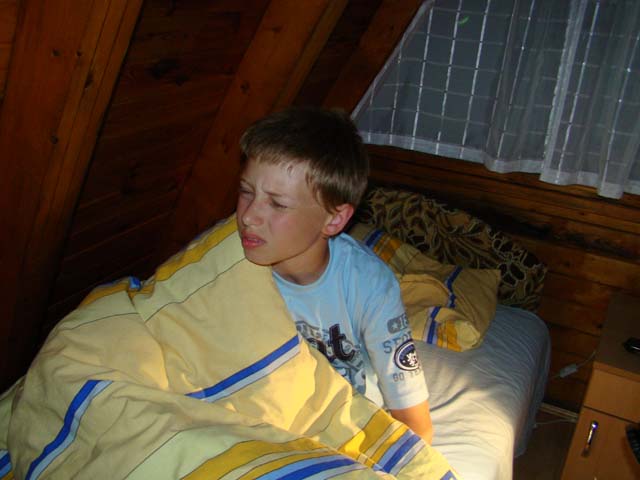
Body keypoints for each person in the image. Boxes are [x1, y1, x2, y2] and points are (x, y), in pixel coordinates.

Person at [235, 106, 433, 443]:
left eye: (277, 203)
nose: (248, 217)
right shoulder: (223, 262)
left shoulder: (370, 285)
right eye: (246, 191)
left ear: (335, 219)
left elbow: (415, 422)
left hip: (343, 428)